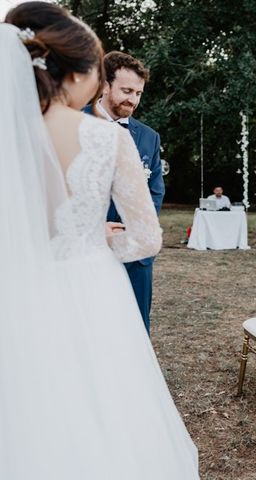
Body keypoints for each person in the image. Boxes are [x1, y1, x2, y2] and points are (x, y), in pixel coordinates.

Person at [1, 4, 198, 478]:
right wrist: (99, 242)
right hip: (89, 289)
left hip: (16, 291)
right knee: (105, 406)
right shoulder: (103, 138)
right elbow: (147, 238)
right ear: (77, 73)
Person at [87, 51, 164, 334]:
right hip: (89, 249)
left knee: (134, 330)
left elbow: (155, 190)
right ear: (105, 85)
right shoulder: (74, 122)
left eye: (139, 93)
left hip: (135, 253)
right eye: (126, 90)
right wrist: (96, 229)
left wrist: (135, 228)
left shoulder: (149, 137)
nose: (133, 99)